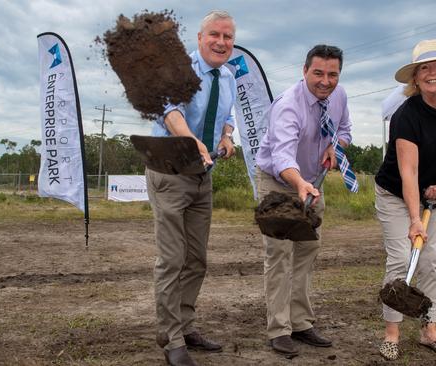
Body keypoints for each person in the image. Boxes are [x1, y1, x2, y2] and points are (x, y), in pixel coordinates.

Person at [146, 10, 236, 366]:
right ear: (199, 38)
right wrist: (191, 141)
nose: (221, 42)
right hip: (170, 168)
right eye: (214, 34)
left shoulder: (228, 76)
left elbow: (227, 116)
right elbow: (169, 110)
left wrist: (227, 137)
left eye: (228, 37)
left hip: (203, 174)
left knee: (196, 260)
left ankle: (185, 325)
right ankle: (171, 338)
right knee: (172, 259)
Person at [255, 44, 357, 358]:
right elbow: (283, 156)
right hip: (280, 183)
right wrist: (300, 184)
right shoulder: (288, 105)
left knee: (306, 254)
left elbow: (345, 129)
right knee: (280, 256)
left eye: (332, 74)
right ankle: (279, 330)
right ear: (304, 71)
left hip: (312, 183)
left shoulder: (339, 96)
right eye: (318, 73)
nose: (325, 81)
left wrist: (335, 147)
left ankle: (300, 322)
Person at [374, 39, 436, 360]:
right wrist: (415, 219)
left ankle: (429, 331)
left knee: (430, 262)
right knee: (402, 259)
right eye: (424, 68)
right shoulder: (406, 115)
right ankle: (391, 333)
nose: (432, 73)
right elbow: (408, 172)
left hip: (431, 195)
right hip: (394, 193)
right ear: (415, 78)